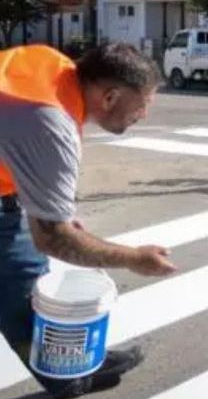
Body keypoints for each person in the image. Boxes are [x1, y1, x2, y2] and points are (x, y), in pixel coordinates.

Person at [0, 43, 177, 398]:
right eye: (143, 104)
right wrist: (133, 258)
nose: (144, 114)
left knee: (19, 287)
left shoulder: (51, 64)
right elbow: (53, 239)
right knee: (21, 288)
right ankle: (68, 375)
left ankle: (76, 365)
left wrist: (50, 208)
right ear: (110, 97)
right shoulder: (51, 122)